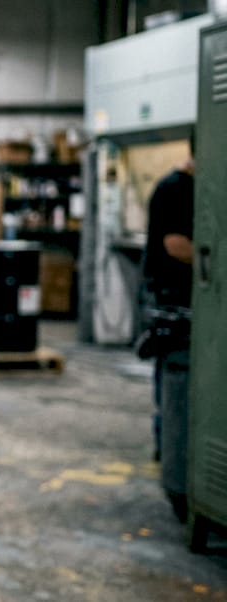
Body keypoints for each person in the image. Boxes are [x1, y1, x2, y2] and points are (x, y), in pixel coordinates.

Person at [139, 143, 195, 461]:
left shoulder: (187, 187)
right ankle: (169, 446)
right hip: (169, 297)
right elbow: (176, 245)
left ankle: (170, 443)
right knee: (174, 368)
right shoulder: (176, 189)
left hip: (176, 295)